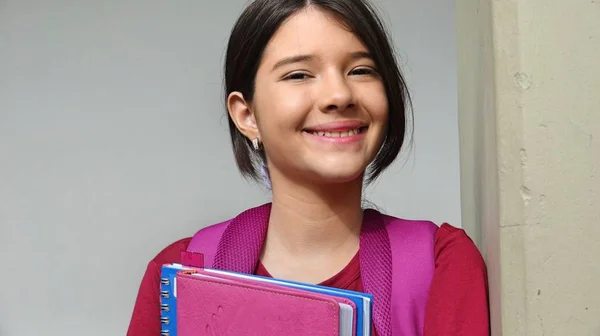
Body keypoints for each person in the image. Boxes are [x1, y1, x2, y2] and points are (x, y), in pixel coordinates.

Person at [126, 0, 490, 335]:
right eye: (299, 75)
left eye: (361, 70)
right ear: (247, 114)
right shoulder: (180, 275)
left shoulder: (444, 266)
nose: (339, 95)